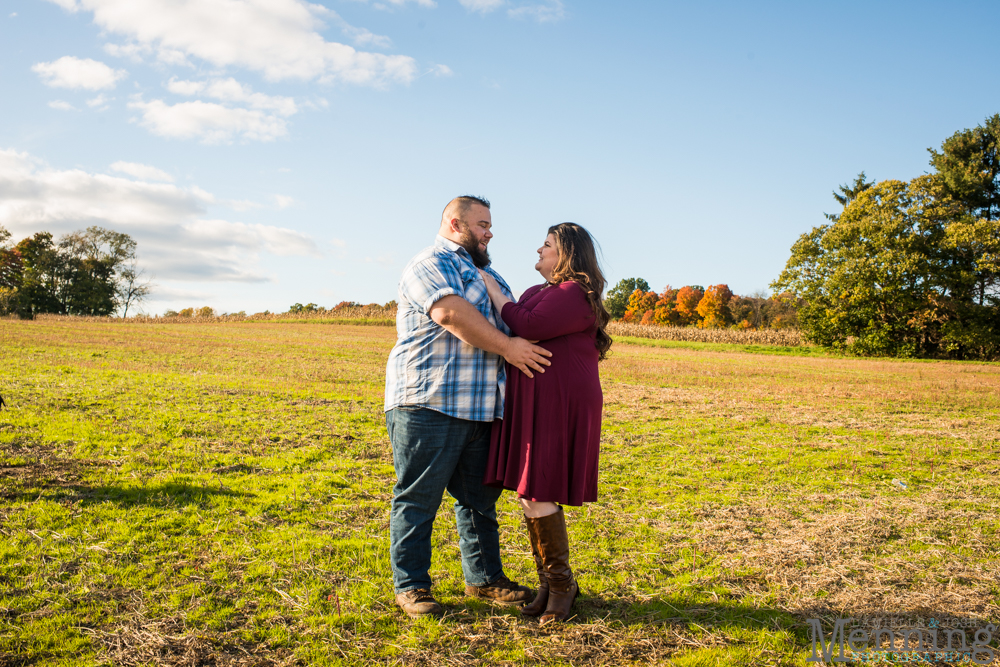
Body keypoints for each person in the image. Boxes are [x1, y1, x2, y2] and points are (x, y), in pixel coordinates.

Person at [384, 195, 554, 619]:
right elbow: (451, 314)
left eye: (490, 225)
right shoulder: (429, 262)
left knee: (479, 501)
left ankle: (484, 578)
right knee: (418, 498)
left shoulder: (489, 273)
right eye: (483, 224)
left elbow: (518, 321)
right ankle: (412, 586)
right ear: (456, 224)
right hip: (429, 401)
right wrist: (510, 348)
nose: (490, 232)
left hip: (481, 408)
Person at [479, 222, 611, 624]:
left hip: (560, 402)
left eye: (548, 244)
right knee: (528, 491)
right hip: (536, 400)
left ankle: (560, 585)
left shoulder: (574, 293)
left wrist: (495, 292)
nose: (539, 248)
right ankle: (550, 584)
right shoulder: (544, 293)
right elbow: (525, 315)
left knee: (536, 489)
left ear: (567, 254)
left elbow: (529, 326)